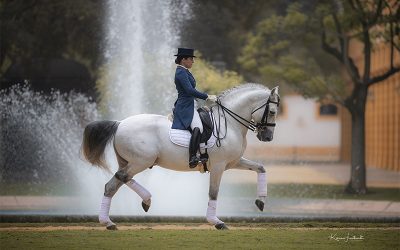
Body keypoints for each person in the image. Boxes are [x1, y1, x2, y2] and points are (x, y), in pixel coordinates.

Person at [171, 48, 217, 168]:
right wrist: (206, 96)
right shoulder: (181, 72)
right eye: (191, 59)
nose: (193, 61)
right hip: (185, 106)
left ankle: (203, 152)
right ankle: (193, 157)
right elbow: (189, 91)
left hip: (191, 104)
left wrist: (202, 105)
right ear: (184, 59)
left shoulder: (185, 71)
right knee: (198, 127)